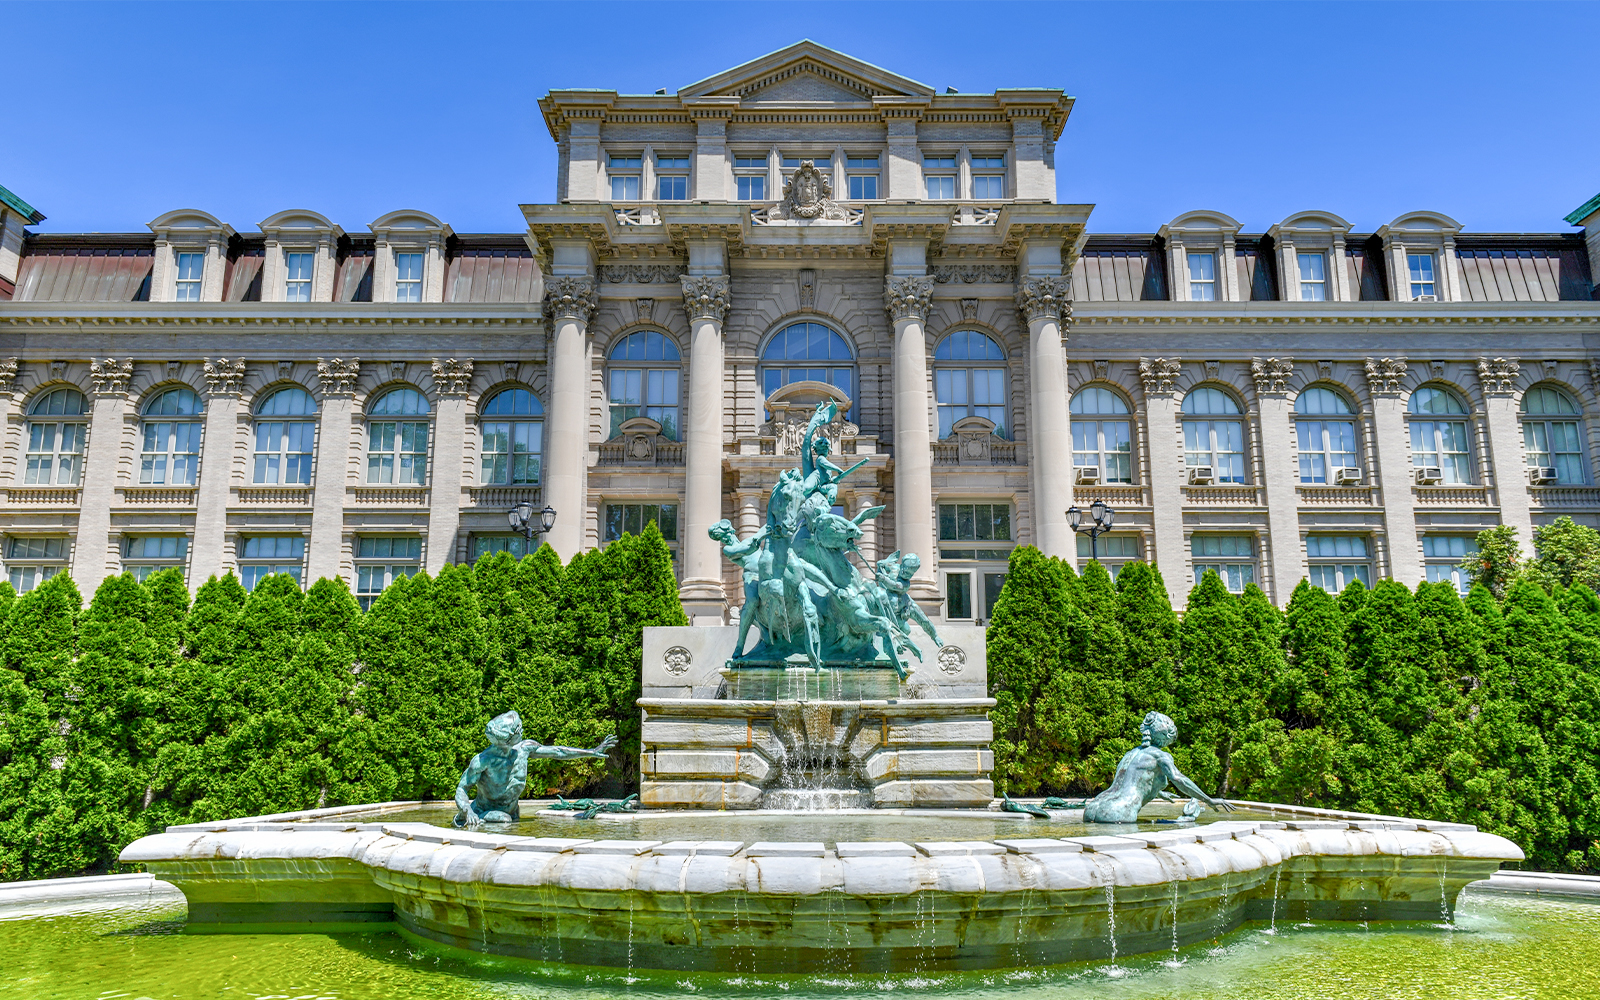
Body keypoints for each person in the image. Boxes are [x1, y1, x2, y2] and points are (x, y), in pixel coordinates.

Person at [453, 711, 617, 828]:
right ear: (508, 738)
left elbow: (558, 751)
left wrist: (592, 751)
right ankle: (468, 819)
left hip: (512, 811)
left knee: (511, 821)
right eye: (518, 729)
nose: (522, 730)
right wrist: (468, 811)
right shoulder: (483, 761)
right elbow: (462, 788)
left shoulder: (524, 749)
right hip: (486, 811)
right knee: (504, 821)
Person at [1082, 711, 1233, 824]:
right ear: (1166, 737)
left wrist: (1159, 793)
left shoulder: (1131, 753)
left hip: (1094, 807)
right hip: (1118, 812)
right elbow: (1179, 779)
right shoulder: (1160, 755)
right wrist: (1208, 800)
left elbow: (1130, 782)